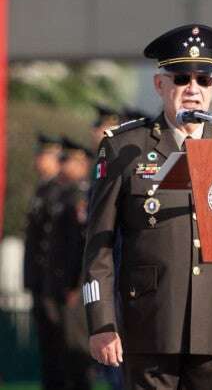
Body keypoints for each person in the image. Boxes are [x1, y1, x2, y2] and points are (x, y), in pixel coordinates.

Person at [82, 24, 212, 390]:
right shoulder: (128, 147)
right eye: (181, 78)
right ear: (160, 85)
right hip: (149, 322)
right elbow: (99, 246)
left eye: (203, 80)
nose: (193, 90)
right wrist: (102, 322)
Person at [52, 137, 95, 390]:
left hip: (77, 284)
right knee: (63, 354)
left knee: (77, 352)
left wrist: (77, 284)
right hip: (63, 282)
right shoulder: (64, 193)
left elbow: (84, 246)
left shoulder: (81, 194)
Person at [23, 134, 65, 390]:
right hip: (41, 280)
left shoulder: (60, 191)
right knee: (48, 351)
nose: (39, 160)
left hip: (56, 283)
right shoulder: (42, 189)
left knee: (63, 352)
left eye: (44, 155)